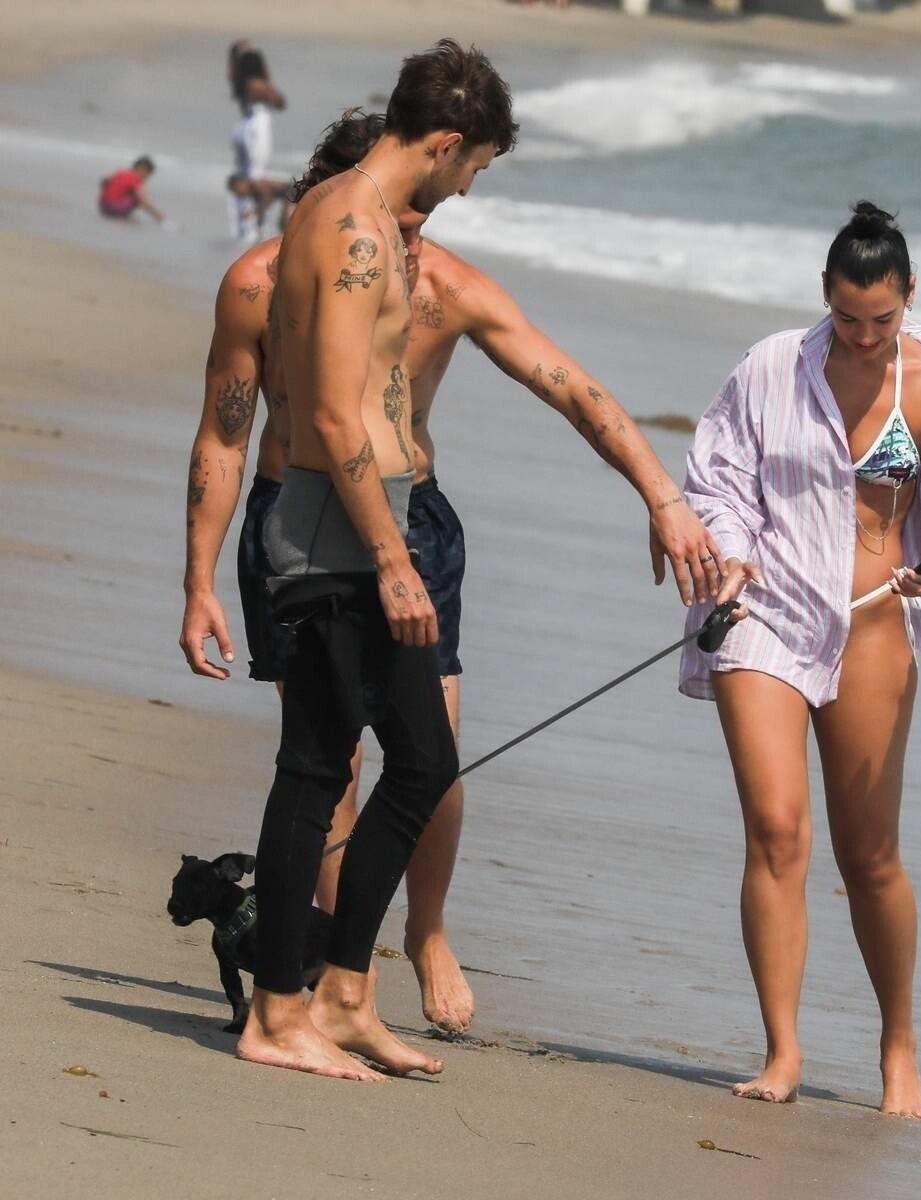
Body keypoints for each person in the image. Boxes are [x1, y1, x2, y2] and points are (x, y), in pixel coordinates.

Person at [179, 108, 719, 1037]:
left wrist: (662, 495)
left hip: (415, 523)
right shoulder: (259, 286)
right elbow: (224, 437)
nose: (410, 243)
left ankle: (425, 931)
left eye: (420, 223)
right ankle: (343, 966)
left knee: (432, 755)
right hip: (297, 517)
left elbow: (573, 388)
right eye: (398, 221)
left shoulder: (447, 288)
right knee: (331, 760)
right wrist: (197, 582)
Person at [217, 38, 516, 1082]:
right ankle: (278, 1012)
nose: (466, 186)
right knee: (324, 766)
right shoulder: (350, 224)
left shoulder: (354, 215)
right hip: (336, 531)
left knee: (410, 761)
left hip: (349, 523)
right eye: (472, 167)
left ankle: (340, 995)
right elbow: (336, 412)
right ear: (445, 142)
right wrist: (393, 560)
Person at [679, 202, 921, 1117]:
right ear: (826, 295)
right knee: (777, 830)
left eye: (882, 319)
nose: (864, 336)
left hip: (873, 625)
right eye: (848, 317)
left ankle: (899, 1044)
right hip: (765, 615)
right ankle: (782, 1051)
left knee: (871, 856)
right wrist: (728, 552)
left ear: (910, 296)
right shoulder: (771, 368)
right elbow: (717, 479)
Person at [228, 39, 286, 241]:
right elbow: (280, 102)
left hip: (243, 124)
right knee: (257, 176)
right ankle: (255, 224)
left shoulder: (240, 82)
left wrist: (237, 52)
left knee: (244, 174)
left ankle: (242, 225)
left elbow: (231, 69)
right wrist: (267, 80)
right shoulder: (258, 84)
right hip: (258, 125)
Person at [98, 157, 166, 224]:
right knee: (136, 197)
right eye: (147, 175)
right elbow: (143, 201)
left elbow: (104, 181)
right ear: (142, 169)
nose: (145, 178)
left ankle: (116, 208)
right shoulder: (135, 179)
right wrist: (158, 215)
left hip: (103, 206)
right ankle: (120, 214)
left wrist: (106, 193)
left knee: (131, 192)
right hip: (114, 209)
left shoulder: (121, 172)